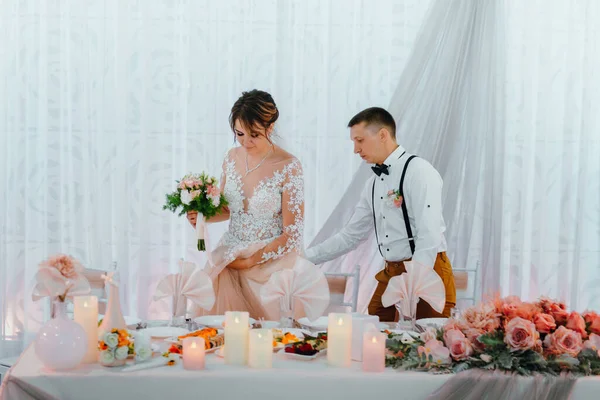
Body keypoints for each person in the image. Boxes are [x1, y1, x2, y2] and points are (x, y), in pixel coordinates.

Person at [304, 107, 456, 321]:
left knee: (425, 344)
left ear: (383, 135)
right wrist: (305, 257)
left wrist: (415, 283)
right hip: (391, 271)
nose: (356, 149)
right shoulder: (373, 184)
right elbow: (351, 235)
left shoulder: (419, 171)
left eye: (360, 140)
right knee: (375, 326)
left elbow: (429, 236)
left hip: (427, 269)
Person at [186, 90, 305, 320]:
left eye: (254, 134)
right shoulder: (231, 158)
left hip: (271, 266)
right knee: (221, 337)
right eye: (240, 134)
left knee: (267, 342)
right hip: (230, 258)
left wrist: (250, 260)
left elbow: (292, 233)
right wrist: (202, 217)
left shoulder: (289, 166)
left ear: (270, 128)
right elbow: (228, 209)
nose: (246, 142)